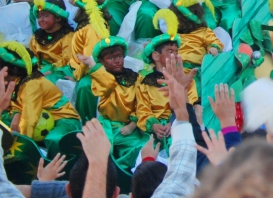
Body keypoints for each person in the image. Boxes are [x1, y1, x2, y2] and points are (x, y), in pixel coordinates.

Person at [76, 37, 147, 174]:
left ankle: (127, 175)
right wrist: (91, 64)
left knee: (142, 147)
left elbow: (142, 102)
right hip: (108, 127)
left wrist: (133, 124)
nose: (117, 61)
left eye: (119, 56)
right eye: (110, 58)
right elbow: (109, 83)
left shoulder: (136, 77)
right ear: (101, 62)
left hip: (129, 127)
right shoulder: (100, 79)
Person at [2, 41, 80, 155]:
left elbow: (29, 119)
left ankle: (55, 167)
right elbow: (15, 104)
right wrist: (16, 114)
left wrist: (21, 148)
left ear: (12, 70)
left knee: (54, 139)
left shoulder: (31, 85)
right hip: (40, 119)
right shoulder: (15, 81)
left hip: (62, 119)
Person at [136, 12, 200, 149]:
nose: (175, 56)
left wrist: (176, 121)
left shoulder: (186, 78)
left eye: (177, 52)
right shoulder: (145, 82)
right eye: (171, 52)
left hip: (182, 125)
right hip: (155, 133)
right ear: (156, 56)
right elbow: (143, 110)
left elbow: (193, 104)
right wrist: (154, 125)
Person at [28, 0, 76, 80]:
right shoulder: (36, 37)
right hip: (40, 71)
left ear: (58, 18)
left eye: (46, 15)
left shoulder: (68, 36)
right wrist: (36, 71)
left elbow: (66, 59)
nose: (41, 19)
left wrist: (48, 71)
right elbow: (33, 57)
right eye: (40, 16)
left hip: (60, 71)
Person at [170, 0, 223, 68]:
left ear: (184, 20)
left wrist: (213, 47)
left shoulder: (203, 32)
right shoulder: (172, 35)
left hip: (195, 68)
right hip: (175, 68)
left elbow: (213, 41)